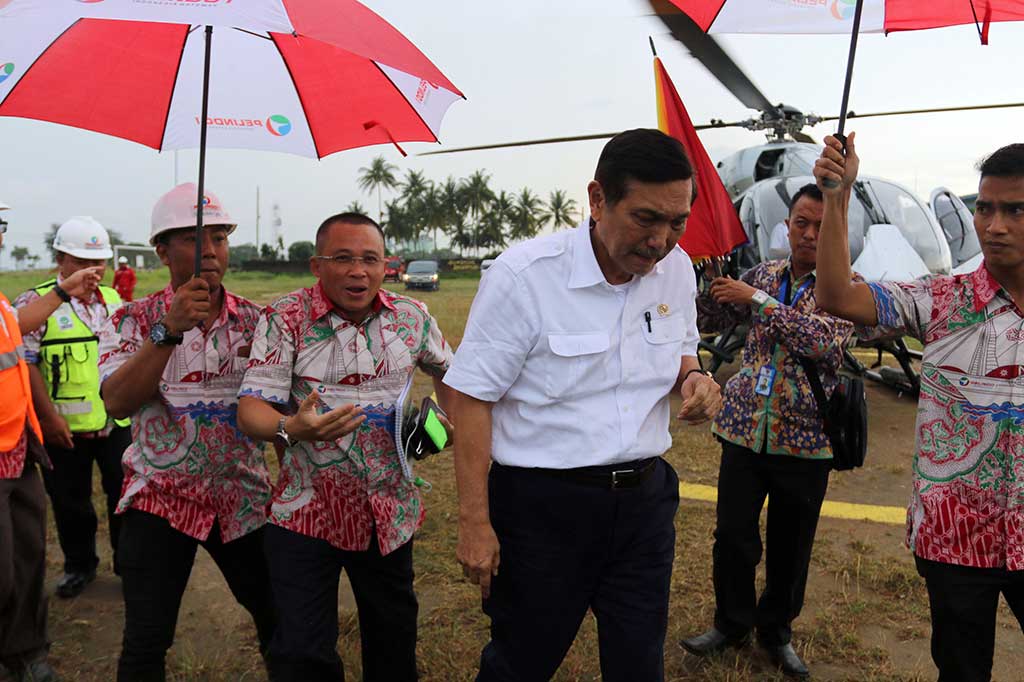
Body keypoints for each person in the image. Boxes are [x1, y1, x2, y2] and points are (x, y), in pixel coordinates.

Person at [443, 129, 723, 681]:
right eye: (646, 219)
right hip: (544, 510)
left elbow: (681, 352)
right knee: (521, 662)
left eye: (677, 223)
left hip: (644, 505)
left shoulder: (676, 270)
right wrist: (474, 521)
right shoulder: (524, 277)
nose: (661, 241)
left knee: (639, 664)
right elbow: (472, 398)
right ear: (597, 199)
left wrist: (695, 378)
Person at [815, 135, 1024, 682]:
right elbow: (836, 296)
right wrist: (837, 198)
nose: (994, 226)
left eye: (1015, 211)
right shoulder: (941, 299)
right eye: (985, 208)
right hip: (956, 540)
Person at [237, 212, 454, 682]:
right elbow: (251, 409)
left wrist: (444, 421)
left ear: (386, 265)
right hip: (305, 513)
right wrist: (293, 427)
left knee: (393, 642)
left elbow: (452, 375)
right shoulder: (285, 318)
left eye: (370, 259)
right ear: (317, 266)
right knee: (301, 652)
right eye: (343, 259)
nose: (358, 271)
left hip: (387, 510)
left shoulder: (411, 317)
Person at [680, 184, 860, 679]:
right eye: (801, 222)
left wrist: (756, 300)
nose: (809, 234)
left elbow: (820, 341)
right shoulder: (763, 274)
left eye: (821, 226)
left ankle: (776, 633)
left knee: (791, 545)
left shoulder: (846, 286)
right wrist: (713, 280)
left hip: (806, 441)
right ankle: (730, 624)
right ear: (787, 225)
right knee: (732, 537)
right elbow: (711, 318)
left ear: (837, 232)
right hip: (743, 431)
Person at [97, 183, 275, 682]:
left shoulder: (258, 323)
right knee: (146, 642)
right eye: (194, 239)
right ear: (161, 250)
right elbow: (117, 402)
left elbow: (279, 406)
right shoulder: (131, 320)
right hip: (160, 499)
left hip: (243, 497)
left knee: (280, 621)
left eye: (220, 237)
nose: (211, 251)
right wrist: (169, 330)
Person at [1, 212, 102, 682]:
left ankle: (26, 652)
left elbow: (17, 328)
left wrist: (62, 292)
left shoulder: (3, 303)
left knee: (26, 557)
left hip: (17, 449)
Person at [13, 218, 130, 600]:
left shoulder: (113, 299)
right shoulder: (35, 303)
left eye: (99, 262)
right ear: (61, 259)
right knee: (70, 503)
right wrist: (48, 418)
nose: (92, 271)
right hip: (64, 428)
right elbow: (26, 362)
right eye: (82, 262)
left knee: (124, 498)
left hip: (115, 423)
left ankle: (129, 566)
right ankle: (80, 566)